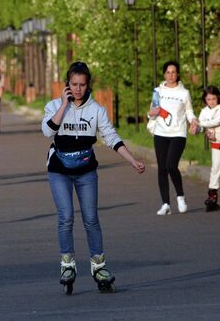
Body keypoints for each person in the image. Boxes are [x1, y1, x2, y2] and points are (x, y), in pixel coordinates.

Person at [42, 61, 145, 294]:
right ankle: (67, 265)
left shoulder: (96, 110)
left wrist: (132, 160)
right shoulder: (54, 106)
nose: (78, 89)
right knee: (66, 217)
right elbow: (48, 130)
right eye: (73, 84)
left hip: (86, 170)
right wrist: (63, 105)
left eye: (82, 85)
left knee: (91, 219)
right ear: (67, 84)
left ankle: (99, 267)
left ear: (88, 86)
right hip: (59, 170)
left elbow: (111, 137)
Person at [147, 61, 199, 215]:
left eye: (174, 72)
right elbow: (152, 110)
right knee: (162, 168)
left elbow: (189, 112)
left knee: (171, 165)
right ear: (164, 74)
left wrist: (193, 121)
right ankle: (165, 204)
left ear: (178, 74)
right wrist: (150, 114)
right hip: (161, 133)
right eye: (168, 72)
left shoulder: (184, 93)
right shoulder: (157, 91)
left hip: (178, 133)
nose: (171, 75)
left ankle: (180, 196)